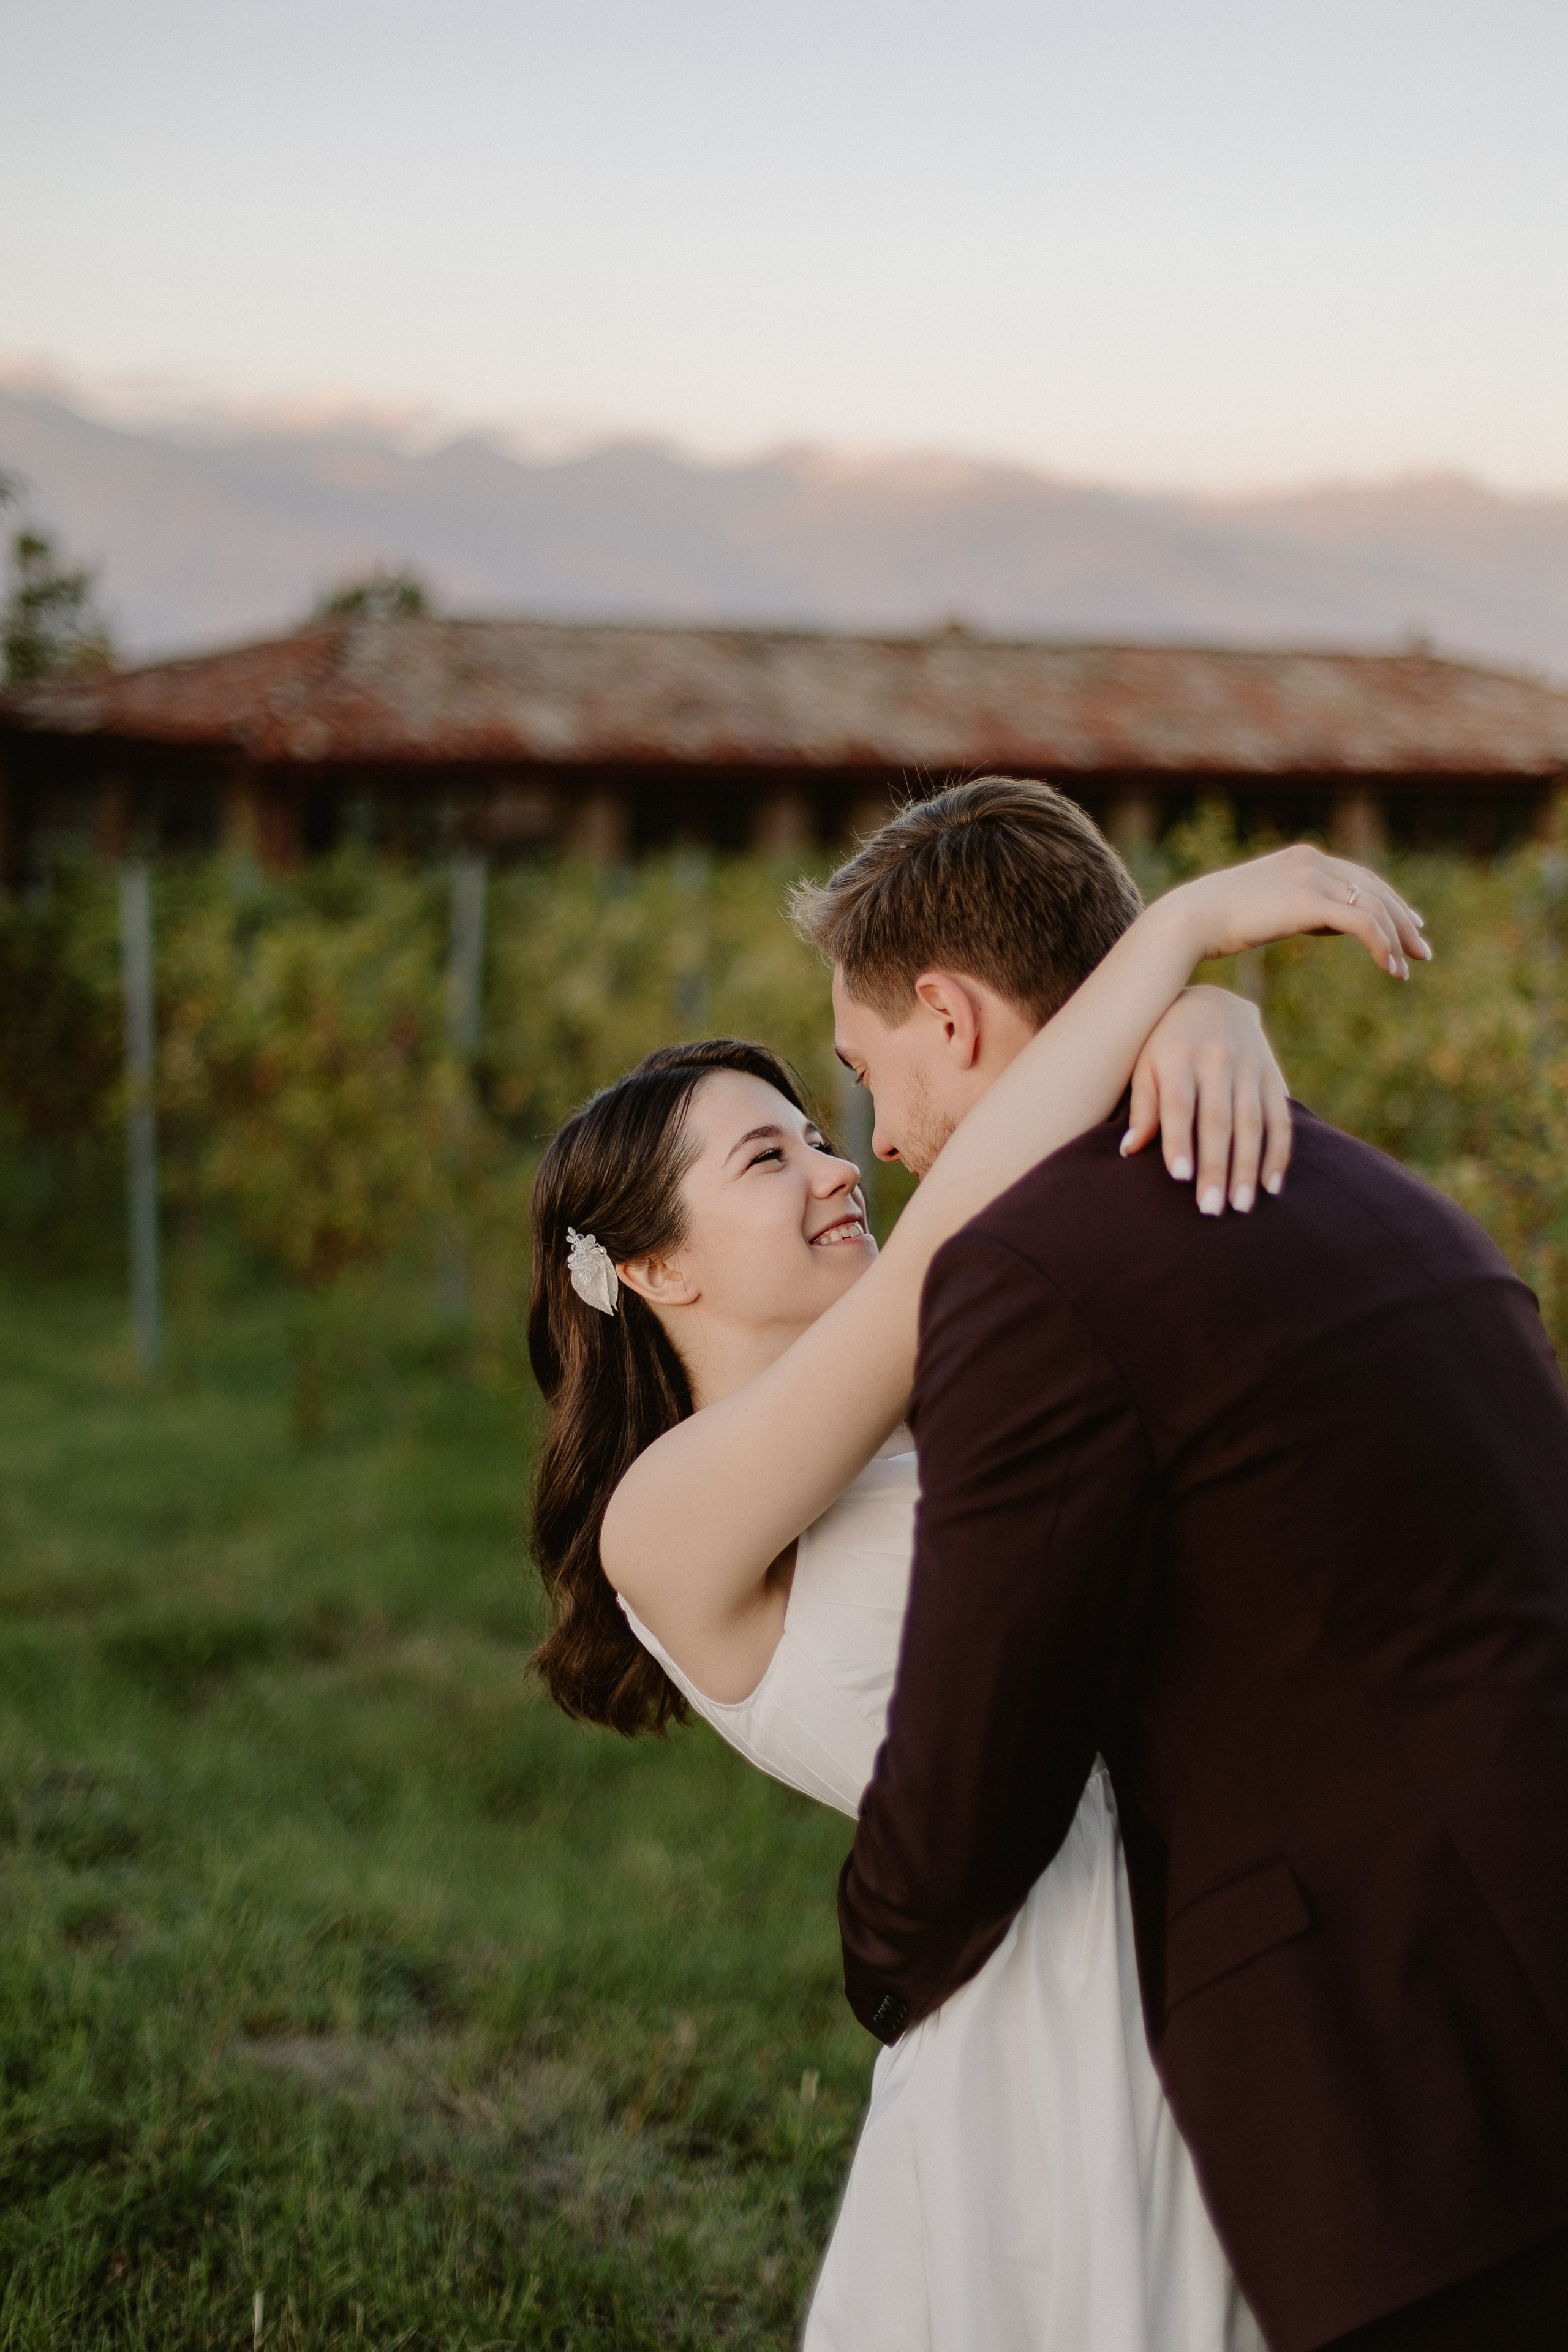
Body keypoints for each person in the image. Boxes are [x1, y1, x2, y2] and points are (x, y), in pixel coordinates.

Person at [527, 796, 1420, 2351]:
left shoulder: (953, 1385)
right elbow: (965, 1222)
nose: (838, 1166)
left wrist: (1195, 1022)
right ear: (654, 1269)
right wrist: (1183, 948)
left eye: (818, 1124)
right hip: (1048, 2005)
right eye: (766, 1156)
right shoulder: (660, 1523)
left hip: (1224, 1936)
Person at [803, 781, 1568, 2352]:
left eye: (867, 1074)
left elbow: (969, 1787)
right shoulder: (1394, 1200)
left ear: (947, 1016)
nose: (880, 1144)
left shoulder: (1023, 1274)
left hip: (1413, 2101)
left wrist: (878, 1960)